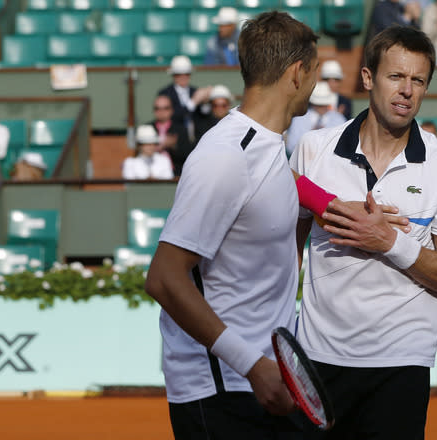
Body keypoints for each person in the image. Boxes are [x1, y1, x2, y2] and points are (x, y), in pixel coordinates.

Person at [290, 25, 437, 439]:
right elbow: (287, 252)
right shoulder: (312, 150)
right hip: (318, 359)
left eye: (418, 80)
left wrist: (389, 242)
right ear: (369, 78)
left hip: (401, 365)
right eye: (396, 76)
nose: (407, 90)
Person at [144, 11, 320, 439]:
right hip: (227, 393)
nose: (315, 86)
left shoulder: (266, 148)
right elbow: (164, 279)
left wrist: (336, 206)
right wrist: (252, 364)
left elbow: (284, 197)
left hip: (264, 384)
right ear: (297, 73)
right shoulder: (227, 155)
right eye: (314, 73)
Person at [157, 55, 212, 143]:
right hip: (175, 141)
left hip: (196, 139)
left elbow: (204, 116)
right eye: (178, 74)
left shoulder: (194, 91)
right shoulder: (165, 93)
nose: (183, 77)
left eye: (186, 74)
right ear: (173, 75)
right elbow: (171, 117)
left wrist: (205, 102)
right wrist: (193, 102)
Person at [285, 81, 347, 156]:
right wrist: (309, 139)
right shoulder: (299, 119)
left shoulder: (338, 119)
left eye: (323, 104)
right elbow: (291, 146)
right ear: (313, 104)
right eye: (319, 104)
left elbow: (344, 146)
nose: (321, 107)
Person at [151, 95, 193, 176]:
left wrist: (174, 146)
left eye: (165, 108)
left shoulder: (180, 129)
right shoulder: (148, 128)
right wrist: (161, 147)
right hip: (153, 172)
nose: (161, 112)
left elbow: (187, 155)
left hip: (176, 173)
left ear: (172, 110)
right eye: (157, 108)